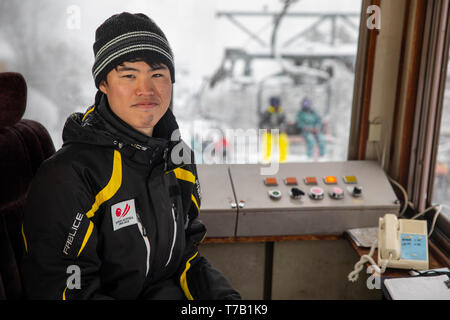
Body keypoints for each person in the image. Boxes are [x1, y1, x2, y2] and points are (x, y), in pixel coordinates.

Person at [21, 12, 241, 300]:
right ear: (103, 84)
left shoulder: (177, 159)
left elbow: (186, 255)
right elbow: (66, 289)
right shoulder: (70, 175)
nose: (146, 89)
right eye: (129, 75)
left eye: (158, 74)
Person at [259, 96, 289, 162]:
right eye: (274, 103)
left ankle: (283, 159)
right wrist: (266, 127)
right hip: (269, 132)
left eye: (277, 103)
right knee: (268, 142)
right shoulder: (267, 112)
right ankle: (266, 159)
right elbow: (262, 123)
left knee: (283, 141)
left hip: (279, 132)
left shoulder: (281, 113)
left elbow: (285, 122)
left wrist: (282, 128)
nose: (276, 105)